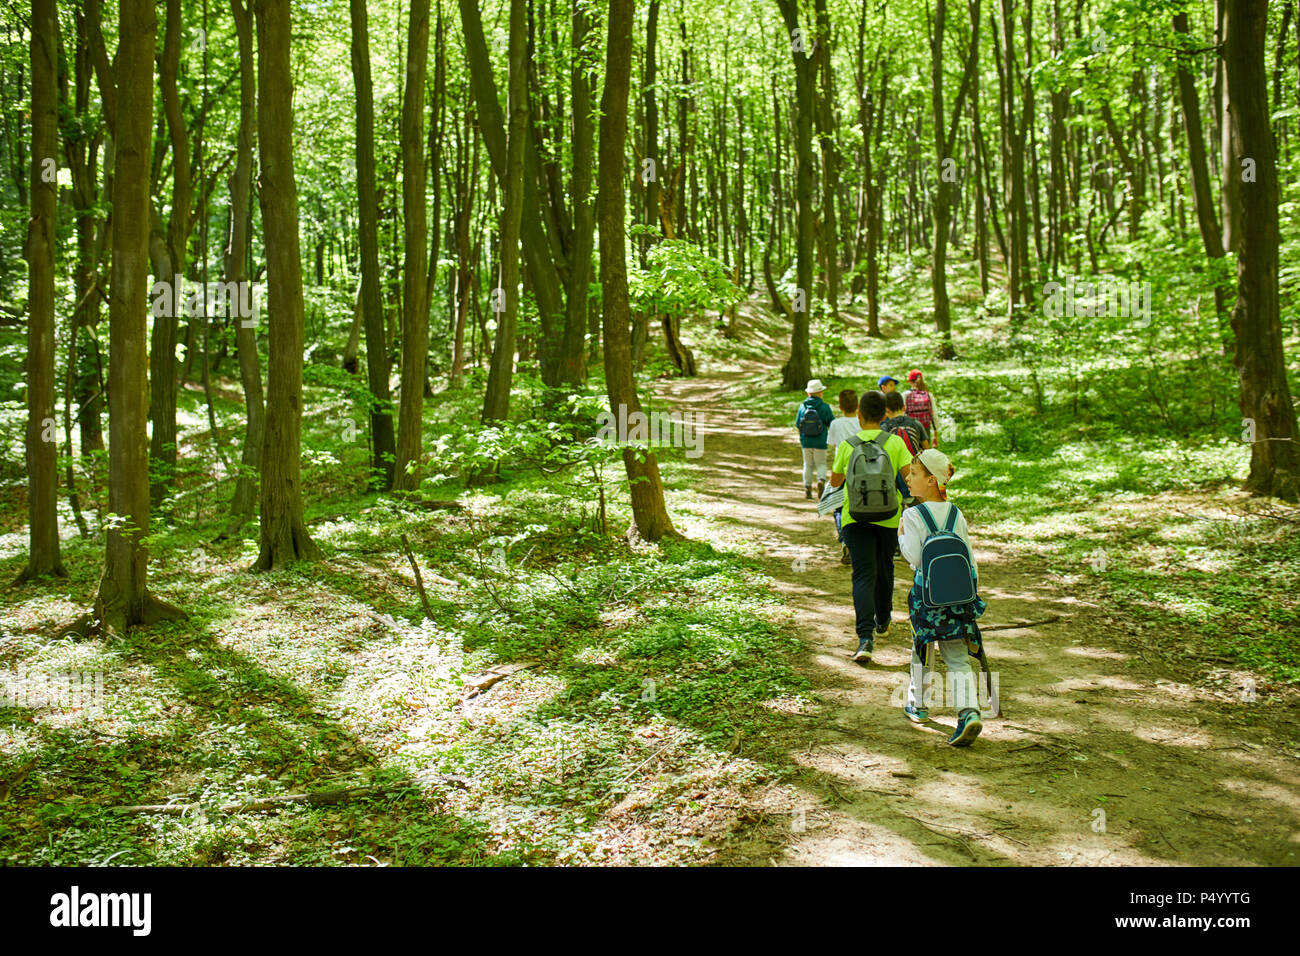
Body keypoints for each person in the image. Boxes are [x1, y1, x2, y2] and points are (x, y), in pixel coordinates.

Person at [898, 448, 985, 747]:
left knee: (922, 650)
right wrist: (972, 594)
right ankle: (969, 711)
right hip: (958, 597)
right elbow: (970, 557)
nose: (908, 478)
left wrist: (900, 534)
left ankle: (919, 705)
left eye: (915, 474)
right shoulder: (955, 513)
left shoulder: (912, 515)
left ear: (932, 480)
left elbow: (913, 557)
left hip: (927, 598)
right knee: (958, 656)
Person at [828, 390, 913, 663]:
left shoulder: (847, 444)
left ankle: (865, 638)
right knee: (885, 567)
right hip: (888, 517)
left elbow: (835, 481)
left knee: (863, 574)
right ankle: (884, 620)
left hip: (856, 518)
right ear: (885, 415)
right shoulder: (895, 443)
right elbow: (910, 477)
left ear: (859, 415)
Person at [826, 389, 861, 565]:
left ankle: (845, 541)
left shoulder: (836, 424)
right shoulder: (862, 423)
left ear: (840, 406)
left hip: (841, 469)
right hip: (862, 469)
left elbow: (832, 444)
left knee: (839, 507)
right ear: (858, 406)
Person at [795, 379, 835, 499]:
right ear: (820, 393)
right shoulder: (824, 407)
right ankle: (821, 481)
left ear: (809, 393)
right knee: (821, 463)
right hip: (820, 441)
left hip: (806, 441)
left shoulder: (802, 407)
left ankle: (807, 487)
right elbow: (831, 423)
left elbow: (798, 424)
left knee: (807, 464)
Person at [903, 369, 944, 448]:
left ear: (910, 382)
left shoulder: (905, 395)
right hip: (925, 430)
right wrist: (935, 435)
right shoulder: (928, 395)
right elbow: (934, 415)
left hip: (910, 430)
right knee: (925, 455)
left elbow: (901, 414)